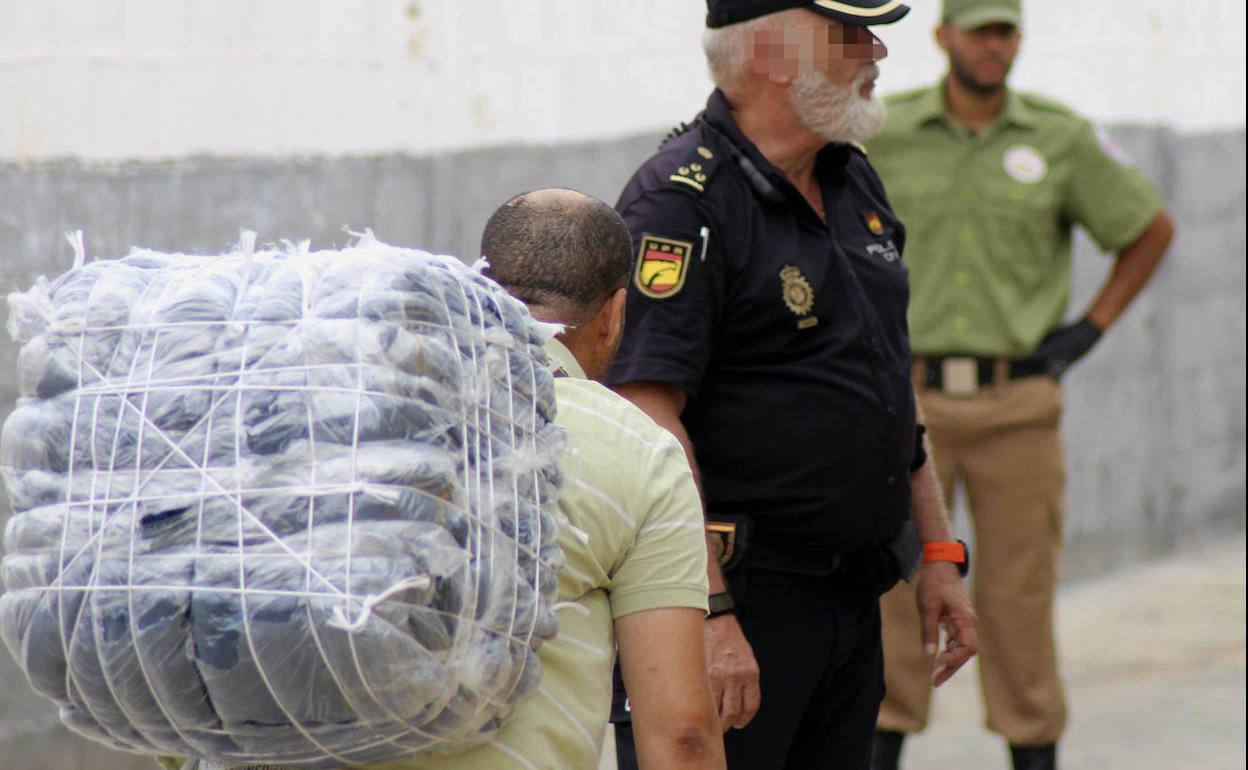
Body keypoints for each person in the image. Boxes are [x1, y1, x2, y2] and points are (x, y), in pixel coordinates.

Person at [163, 190, 724, 770]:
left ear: (480, 285)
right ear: (613, 315)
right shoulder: (642, 454)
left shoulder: (349, 403)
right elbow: (680, 735)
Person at [605, 2, 978, 768]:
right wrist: (709, 613)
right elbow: (647, 417)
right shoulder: (681, 203)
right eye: (850, 35)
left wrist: (935, 548)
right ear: (773, 52)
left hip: (848, 599)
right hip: (740, 605)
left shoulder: (849, 176)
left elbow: (883, 378)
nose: (876, 50)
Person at [863, 2, 1176, 769]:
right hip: (906, 404)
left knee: (1018, 603)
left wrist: (1089, 328)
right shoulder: (882, 129)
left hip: (1017, 410)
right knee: (894, 596)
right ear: (944, 38)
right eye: (979, 30)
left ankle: (1033, 750)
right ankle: (879, 747)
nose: (993, 46)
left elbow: (1149, 229)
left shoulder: (1060, 139)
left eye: (1006, 31)